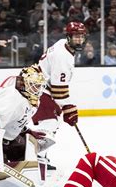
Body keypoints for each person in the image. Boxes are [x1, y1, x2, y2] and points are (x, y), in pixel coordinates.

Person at [31, 22, 87, 166]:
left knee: (50, 123)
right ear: (68, 37)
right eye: (76, 37)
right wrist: (69, 107)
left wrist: (66, 107)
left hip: (40, 87)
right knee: (49, 123)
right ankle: (37, 158)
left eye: (81, 36)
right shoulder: (63, 56)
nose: (79, 40)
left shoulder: (63, 44)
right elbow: (58, 91)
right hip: (41, 90)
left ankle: (38, 156)